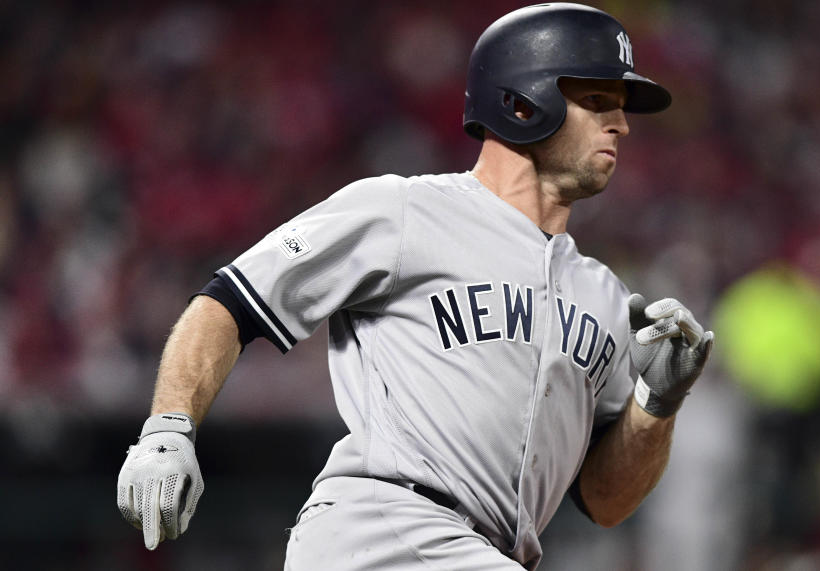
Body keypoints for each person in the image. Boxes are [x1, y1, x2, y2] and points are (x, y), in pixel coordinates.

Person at [116, 3, 714, 569]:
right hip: (382, 530)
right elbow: (231, 302)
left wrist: (656, 404)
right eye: (598, 99)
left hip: (482, 552)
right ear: (523, 102)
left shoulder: (608, 297)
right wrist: (168, 430)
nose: (622, 124)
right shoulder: (405, 211)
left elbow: (604, 501)